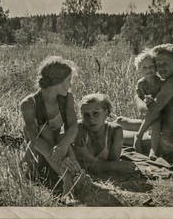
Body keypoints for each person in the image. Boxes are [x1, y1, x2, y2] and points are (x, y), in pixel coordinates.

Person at [117, 43, 173, 160]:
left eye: (165, 63)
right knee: (120, 121)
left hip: (164, 143)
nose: (161, 68)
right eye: (158, 64)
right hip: (160, 130)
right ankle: (85, 124)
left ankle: (84, 129)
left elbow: (149, 112)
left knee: (112, 133)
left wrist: (137, 97)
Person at [20, 56, 83, 203]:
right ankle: (69, 179)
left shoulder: (67, 98)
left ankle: (73, 176)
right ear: (56, 81)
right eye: (68, 80)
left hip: (58, 151)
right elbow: (35, 140)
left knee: (62, 137)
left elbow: (73, 126)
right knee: (45, 131)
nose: (70, 85)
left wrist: (62, 146)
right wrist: (60, 160)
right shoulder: (29, 103)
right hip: (37, 156)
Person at [116, 48, 164, 159]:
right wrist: (146, 101)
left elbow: (163, 101)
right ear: (140, 70)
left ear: (156, 67)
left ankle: (152, 149)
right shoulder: (141, 84)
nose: (148, 70)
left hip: (159, 117)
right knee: (120, 120)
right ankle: (104, 128)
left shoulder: (161, 83)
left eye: (151, 66)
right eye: (144, 67)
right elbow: (140, 100)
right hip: (146, 117)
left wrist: (154, 101)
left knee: (156, 122)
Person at [73, 93, 136, 174]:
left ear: (106, 113)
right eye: (86, 115)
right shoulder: (79, 128)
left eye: (96, 113)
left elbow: (112, 162)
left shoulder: (115, 131)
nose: (91, 119)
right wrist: (116, 166)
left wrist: (89, 158)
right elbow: (83, 166)